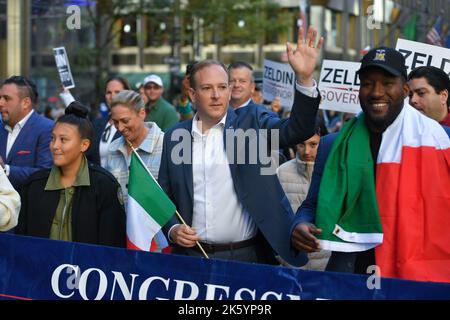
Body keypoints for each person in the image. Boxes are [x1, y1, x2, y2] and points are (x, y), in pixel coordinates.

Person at [159, 26, 324, 266]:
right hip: (192, 259)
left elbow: (297, 130)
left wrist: (305, 79)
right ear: (193, 95)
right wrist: (173, 229)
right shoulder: (175, 136)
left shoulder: (252, 122)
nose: (216, 95)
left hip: (248, 258)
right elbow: (164, 196)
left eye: (222, 87)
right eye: (207, 88)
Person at [291, 47, 450, 283]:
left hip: (418, 275)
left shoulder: (441, 143)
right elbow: (311, 204)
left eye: (387, 83)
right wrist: (300, 224)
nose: (376, 92)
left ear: (405, 89)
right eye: (367, 83)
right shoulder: (332, 145)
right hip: (351, 273)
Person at [16, 102, 126, 248]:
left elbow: (112, 246)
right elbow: (21, 244)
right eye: (52, 138)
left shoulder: (104, 186)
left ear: (84, 145)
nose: (55, 146)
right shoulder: (34, 185)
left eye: (63, 140)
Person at [105, 90, 167, 251]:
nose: (120, 127)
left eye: (125, 121)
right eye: (115, 122)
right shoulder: (112, 149)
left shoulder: (167, 145)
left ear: (142, 113)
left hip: (160, 246)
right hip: (122, 243)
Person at [277, 126, 330, 270]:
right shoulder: (282, 172)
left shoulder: (334, 173)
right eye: (301, 144)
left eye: (313, 144)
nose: (307, 151)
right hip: (290, 261)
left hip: (325, 263)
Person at [0, 76, 53, 190]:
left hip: (30, 205)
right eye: (0, 98)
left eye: (6, 98)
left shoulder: (47, 128)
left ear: (25, 102)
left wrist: (5, 170)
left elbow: (45, 174)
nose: (1, 103)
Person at [88, 76, 131, 167]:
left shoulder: (133, 125)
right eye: (108, 92)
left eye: (117, 92)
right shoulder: (96, 124)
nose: (112, 96)